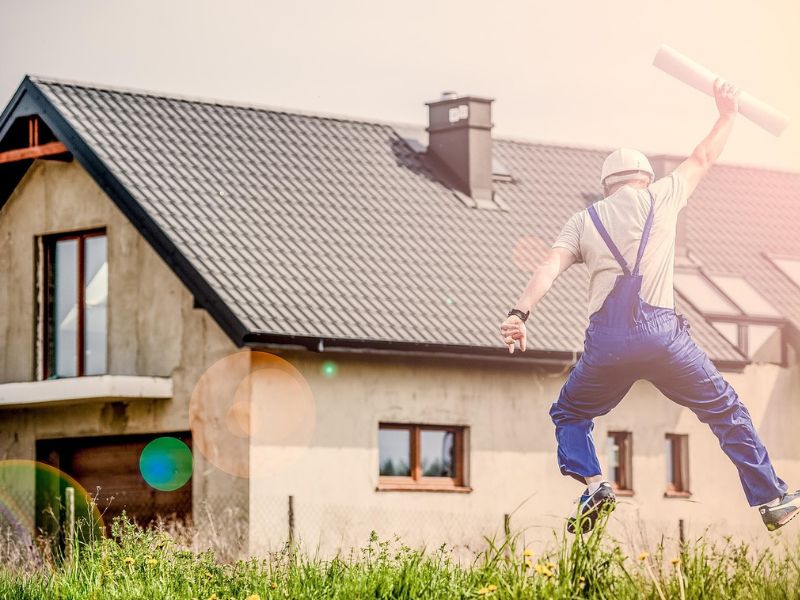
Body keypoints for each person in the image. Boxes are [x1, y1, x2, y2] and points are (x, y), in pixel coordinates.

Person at [500, 79, 798, 533]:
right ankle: (772, 498)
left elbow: (548, 267)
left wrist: (519, 315)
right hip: (664, 339)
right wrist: (726, 114)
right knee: (725, 411)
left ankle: (595, 484)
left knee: (570, 413)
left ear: (605, 186)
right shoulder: (663, 196)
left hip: (607, 345)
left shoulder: (584, 220)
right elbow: (703, 157)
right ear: (644, 178)